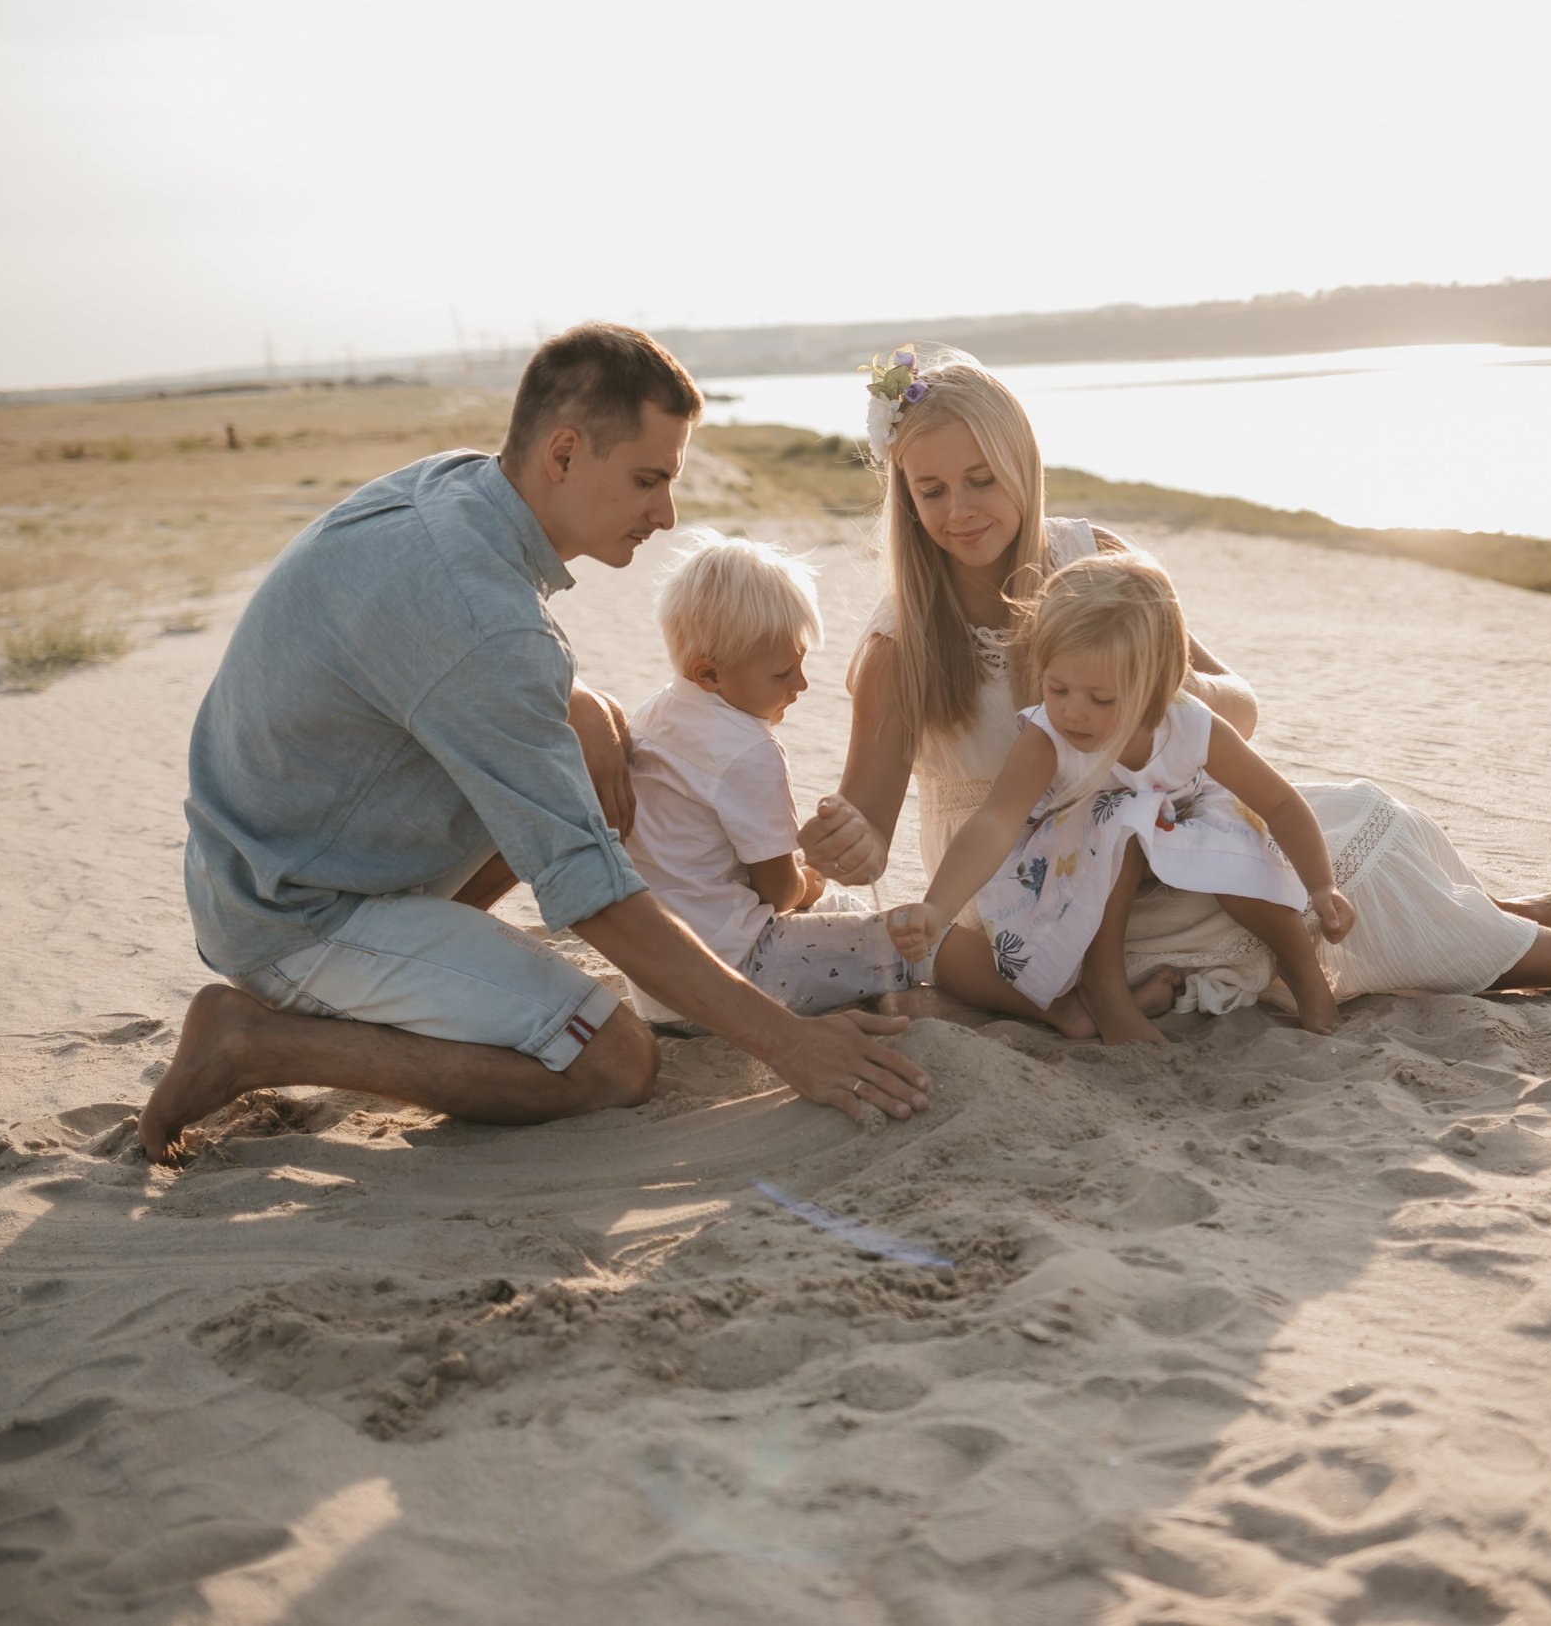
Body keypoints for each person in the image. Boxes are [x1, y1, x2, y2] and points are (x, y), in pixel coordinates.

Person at [142, 324, 929, 1163]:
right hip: (291, 909)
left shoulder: (453, 491)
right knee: (614, 1060)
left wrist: (581, 701)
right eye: (647, 479)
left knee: (595, 743)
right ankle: (258, 1042)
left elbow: (467, 663)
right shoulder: (487, 627)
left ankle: (389, 977)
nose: (666, 513)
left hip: (270, 854)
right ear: (562, 455)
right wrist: (790, 1042)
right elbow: (590, 890)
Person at [795, 346, 1551, 1021]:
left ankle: (1494, 923)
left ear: (1024, 469)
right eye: (931, 489)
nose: (960, 509)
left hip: (1155, 831)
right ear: (903, 492)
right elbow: (873, 837)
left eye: (982, 479)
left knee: (1352, 816)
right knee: (1304, 877)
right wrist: (847, 839)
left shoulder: (1096, 561)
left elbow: (1240, 701)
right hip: (1038, 891)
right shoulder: (904, 644)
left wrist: (1154, 711)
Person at [886, 551, 1355, 1043]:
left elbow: (1278, 802)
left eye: (1101, 699)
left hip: (1182, 821)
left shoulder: (1191, 725)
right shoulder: (1048, 738)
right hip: (1078, 842)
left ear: (1156, 687)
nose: (1074, 713)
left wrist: (1322, 885)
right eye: (1057, 687)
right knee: (1123, 817)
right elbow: (994, 823)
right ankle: (1106, 989)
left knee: (1240, 836)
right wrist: (936, 907)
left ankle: (1303, 972)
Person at [622, 530, 927, 1020]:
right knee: (911, 937)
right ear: (709, 675)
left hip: (661, 987)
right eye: (783, 672)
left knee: (841, 918)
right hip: (739, 973)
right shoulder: (748, 751)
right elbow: (779, 892)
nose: (801, 685)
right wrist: (812, 880)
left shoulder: (651, 717)